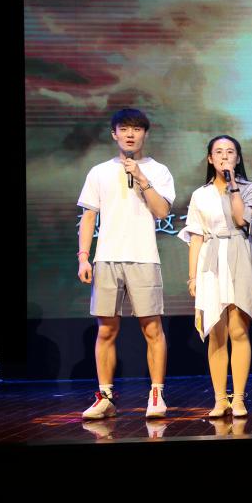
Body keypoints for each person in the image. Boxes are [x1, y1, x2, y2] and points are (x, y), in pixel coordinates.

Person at [77, 108, 176, 419]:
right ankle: (105, 397)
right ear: (114, 134)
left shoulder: (158, 170)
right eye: (124, 128)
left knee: (152, 327)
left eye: (136, 129)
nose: (130, 134)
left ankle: (156, 394)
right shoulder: (99, 172)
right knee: (106, 329)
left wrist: (142, 179)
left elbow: (162, 212)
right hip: (106, 257)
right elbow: (88, 216)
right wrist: (83, 257)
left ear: (145, 134)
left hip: (144, 257)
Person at [179, 135, 252, 418]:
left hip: (239, 254)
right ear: (210, 158)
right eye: (218, 152)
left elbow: (241, 220)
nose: (224, 156)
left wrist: (233, 187)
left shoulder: (249, 189)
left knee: (238, 330)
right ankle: (220, 400)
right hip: (211, 259)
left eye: (230, 152)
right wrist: (192, 277)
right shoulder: (200, 194)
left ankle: (239, 398)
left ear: (238, 158)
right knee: (216, 332)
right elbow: (195, 237)